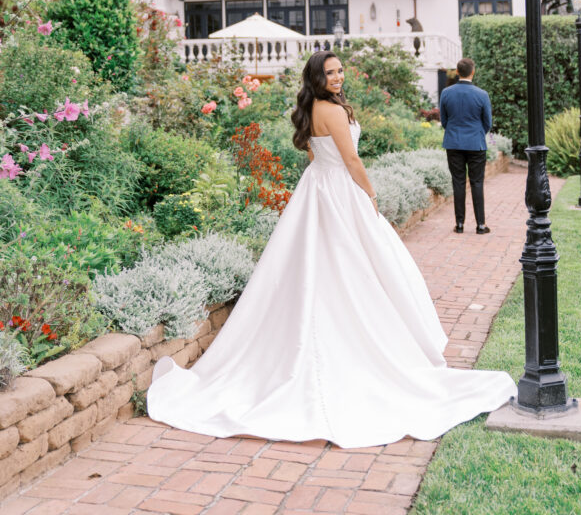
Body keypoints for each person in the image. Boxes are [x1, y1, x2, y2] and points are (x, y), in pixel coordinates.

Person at [147, 51, 513, 447]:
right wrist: (370, 194)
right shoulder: (334, 112)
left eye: (340, 71)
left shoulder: (312, 110)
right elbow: (351, 159)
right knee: (353, 265)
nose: (338, 77)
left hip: (316, 188)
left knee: (319, 263)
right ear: (317, 77)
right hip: (340, 190)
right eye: (330, 72)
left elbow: (314, 154)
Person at [440, 58, 492, 234]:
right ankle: (481, 225)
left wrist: (455, 133)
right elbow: (488, 122)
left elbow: (444, 121)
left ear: (457, 71)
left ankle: (460, 224)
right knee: (477, 183)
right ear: (473, 72)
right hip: (476, 144)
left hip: (453, 142)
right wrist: (477, 134)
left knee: (458, 183)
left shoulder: (446, 93)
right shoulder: (482, 94)